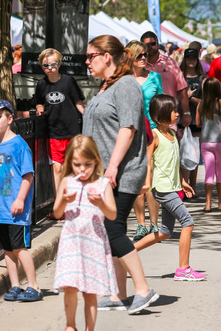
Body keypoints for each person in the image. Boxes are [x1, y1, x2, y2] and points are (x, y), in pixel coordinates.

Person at [83, 35, 158, 314]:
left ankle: (143, 289)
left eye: (91, 56)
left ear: (107, 57)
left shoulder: (126, 85)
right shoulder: (105, 86)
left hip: (122, 171)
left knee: (112, 228)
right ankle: (117, 294)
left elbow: (128, 129)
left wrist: (112, 167)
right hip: (101, 172)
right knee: (109, 229)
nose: (87, 62)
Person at [134, 95, 207, 282]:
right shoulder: (155, 136)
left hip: (171, 187)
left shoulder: (173, 135)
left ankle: (127, 251)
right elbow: (148, 162)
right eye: (174, 111)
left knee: (165, 232)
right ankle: (183, 269)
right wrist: (147, 183)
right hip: (162, 189)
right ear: (161, 115)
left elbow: (174, 162)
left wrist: (182, 180)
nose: (177, 114)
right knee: (188, 223)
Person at [52, 135, 118, 331]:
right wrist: (64, 200)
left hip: (93, 242)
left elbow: (112, 214)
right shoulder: (66, 182)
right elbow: (57, 213)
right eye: (77, 164)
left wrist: (101, 204)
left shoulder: (102, 184)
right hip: (71, 242)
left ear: (96, 161)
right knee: (70, 287)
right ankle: (70, 325)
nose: (82, 169)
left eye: (87, 164)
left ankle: (90, 328)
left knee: (90, 290)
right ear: (70, 162)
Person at [0, 100, 41, 301]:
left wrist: (20, 200)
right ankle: (15, 286)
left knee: (19, 248)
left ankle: (34, 286)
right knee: (6, 249)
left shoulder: (19, 145)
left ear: (10, 119)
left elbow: (28, 175)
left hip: (16, 208)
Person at [33, 48, 86, 220]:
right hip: (53, 133)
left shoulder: (69, 81)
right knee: (57, 168)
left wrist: (89, 118)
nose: (50, 68)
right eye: (46, 65)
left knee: (72, 169)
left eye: (53, 64)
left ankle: (76, 205)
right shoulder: (41, 85)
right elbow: (39, 103)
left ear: (59, 64)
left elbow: (79, 103)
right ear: (42, 66)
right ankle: (59, 206)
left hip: (72, 132)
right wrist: (40, 111)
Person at [125, 40, 163, 242]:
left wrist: (165, 130)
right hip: (131, 134)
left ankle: (155, 223)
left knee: (152, 181)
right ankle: (140, 225)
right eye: (139, 55)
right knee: (137, 181)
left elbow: (162, 105)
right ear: (130, 57)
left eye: (145, 55)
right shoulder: (123, 80)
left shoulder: (155, 77)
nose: (144, 59)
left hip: (153, 133)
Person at [140, 31, 191, 130]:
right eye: (146, 45)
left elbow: (182, 89)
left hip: (168, 118)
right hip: (146, 120)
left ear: (158, 44)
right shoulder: (139, 64)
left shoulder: (170, 63)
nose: (150, 47)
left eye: (153, 44)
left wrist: (186, 113)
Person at [196, 78, 221, 212]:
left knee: (209, 173)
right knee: (220, 173)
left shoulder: (201, 104)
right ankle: (220, 203)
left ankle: (207, 204)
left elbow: (198, 123)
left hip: (206, 142)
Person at [181, 47, 204, 196]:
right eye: (188, 58)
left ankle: (193, 186)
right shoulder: (180, 76)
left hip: (197, 120)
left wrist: (190, 97)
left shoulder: (202, 78)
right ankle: (183, 186)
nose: (191, 61)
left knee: (194, 155)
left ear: (197, 60)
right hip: (181, 119)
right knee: (182, 153)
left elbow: (205, 101)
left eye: (193, 58)